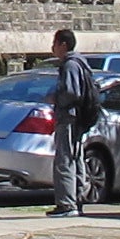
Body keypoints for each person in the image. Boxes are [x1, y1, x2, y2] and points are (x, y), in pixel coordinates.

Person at [46, 28, 103, 215]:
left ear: (63, 44)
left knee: (64, 160)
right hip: (77, 117)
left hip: (69, 117)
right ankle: (77, 199)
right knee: (75, 158)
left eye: (54, 43)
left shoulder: (70, 65)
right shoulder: (81, 63)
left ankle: (67, 204)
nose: (52, 48)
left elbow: (72, 92)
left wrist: (56, 98)